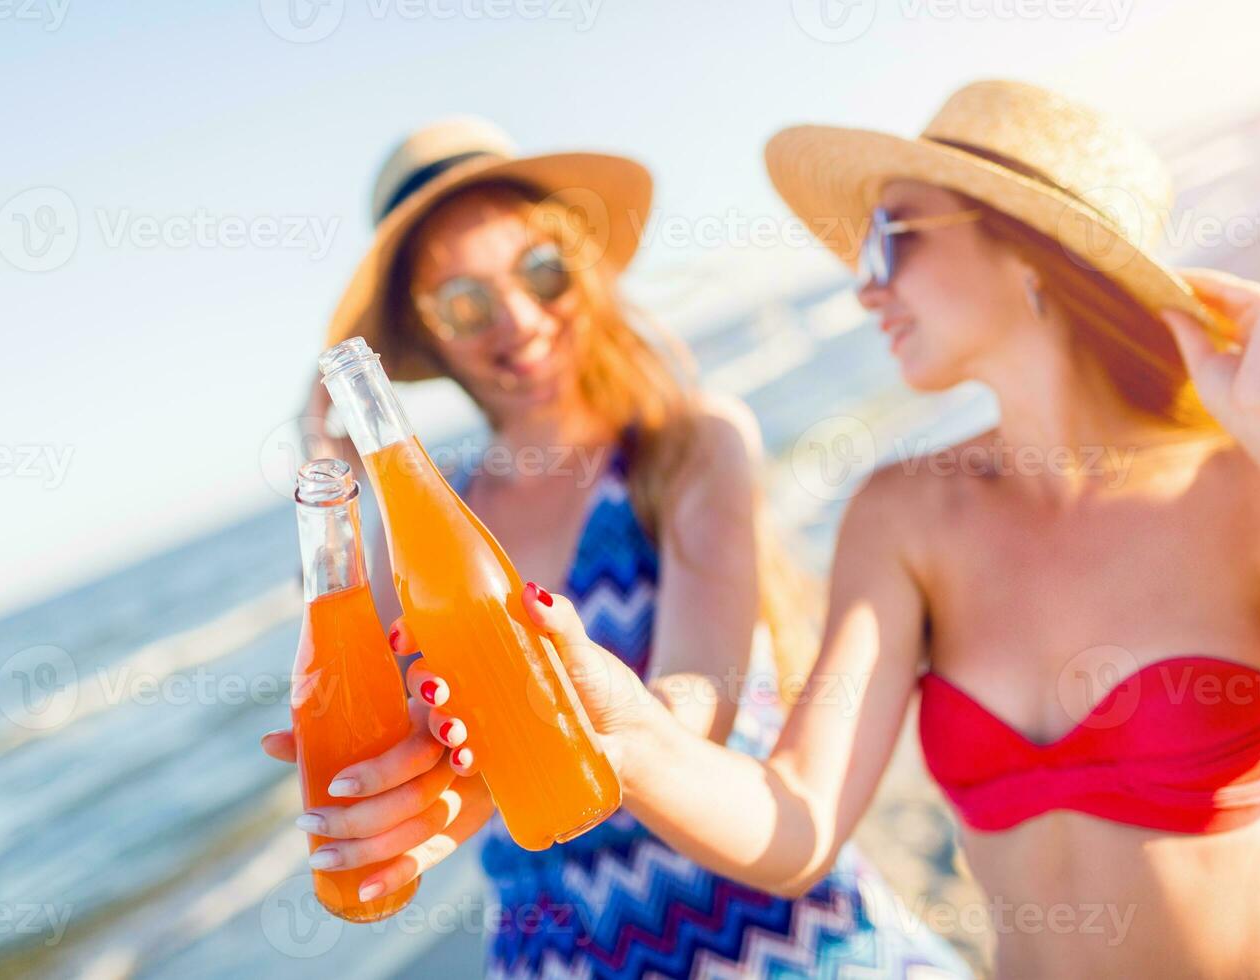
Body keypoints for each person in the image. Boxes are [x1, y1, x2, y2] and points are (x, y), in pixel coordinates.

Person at [355, 83, 1260, 977]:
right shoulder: (901, 516)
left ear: (1026, 242)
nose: (863, 281)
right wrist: (627, 734)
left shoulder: (1250, 485)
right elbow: (796, 821)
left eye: (894, 235)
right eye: (458, 300)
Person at [261, 117, 970, 978]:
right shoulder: (420, 521)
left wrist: (562, 736)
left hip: (755, 917)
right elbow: (362, 716)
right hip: (551, 949)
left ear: (583, 269)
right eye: (464, 302)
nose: (517, 322)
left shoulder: (687, 449)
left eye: (541, 270)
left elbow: (691, 698)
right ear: (431, 335)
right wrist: (328, 476)